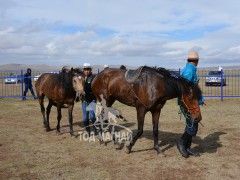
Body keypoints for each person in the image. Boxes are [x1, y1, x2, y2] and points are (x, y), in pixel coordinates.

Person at [177, 51, 206, 158]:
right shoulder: (189, 71)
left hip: (190, 102)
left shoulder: (190, 69)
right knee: (192, 125)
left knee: (192, 123)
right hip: (188, 104)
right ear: (197, 61)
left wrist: (201, 100)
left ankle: (187, 147)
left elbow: (193, 90)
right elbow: (186, 91)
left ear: (188, 60)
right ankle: (181, 144)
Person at [81, 63, 97, 136]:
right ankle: (88, 130)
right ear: (83, 70)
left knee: (92, 116)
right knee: (85, 116)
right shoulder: (81, 78)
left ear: (90, 70)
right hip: (84, 100)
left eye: (88, 70)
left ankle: (95, 129)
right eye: (85, 70)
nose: (87, 71)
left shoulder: (93, 78)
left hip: (92, 100)